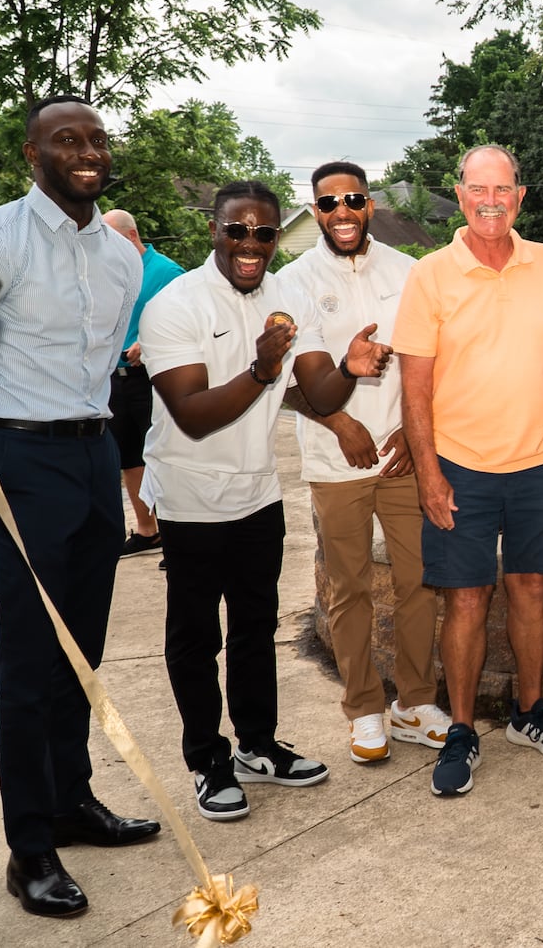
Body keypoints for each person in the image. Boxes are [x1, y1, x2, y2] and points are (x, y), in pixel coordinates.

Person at [0, 95, 156, 919]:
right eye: (68, 139)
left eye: (97, 137)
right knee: (29, 660)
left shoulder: (122, 255)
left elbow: (101, 367)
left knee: (80, 649)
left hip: (94, 453)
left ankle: (71, 800)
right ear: (34, 153)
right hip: (18, 455)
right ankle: (29, 847)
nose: (87, 150)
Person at [140, 180, 393, 822]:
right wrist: (258, 370)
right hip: (192, 496)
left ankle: (257, 745)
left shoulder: (286, 294)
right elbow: (194, 415)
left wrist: (351, 369)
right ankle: (208, 760)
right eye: (237, 230)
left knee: (255, 627)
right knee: (196, 638)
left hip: (256, 493)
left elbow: (320, 393)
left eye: (263, 233)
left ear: (277, 237)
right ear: (214, 231)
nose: (250, 244)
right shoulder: (176, 306)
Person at [396, 144, 543, 797]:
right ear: (459, 195)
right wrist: (428, 473)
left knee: (533, 588)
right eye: (478, 188)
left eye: (502, 189)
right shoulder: (430, 275)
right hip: (460, 465)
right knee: (467, 597)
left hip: (540, 461)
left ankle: (529, 711)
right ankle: (460, 729)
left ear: (519, 196)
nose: (490, 200)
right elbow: (414, 389)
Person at [282, 161, 450, 765]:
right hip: (335, 459)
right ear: (315, 210)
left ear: (370, 204)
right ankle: (364, 709)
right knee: (349, 589)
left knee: (419, 582)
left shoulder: (412, 273)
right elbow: (281, 377)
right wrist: (338, 420)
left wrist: (413, 428)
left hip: (404, 455)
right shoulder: (292, 281)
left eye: (352, 199)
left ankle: (415, 701)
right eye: (328, 204)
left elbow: (434, 363)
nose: (341, 212)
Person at [102, 208, 184, 557]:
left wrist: (147, 343)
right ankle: (148, 530)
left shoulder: (167, 272)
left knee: (161, 454)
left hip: (152, 377)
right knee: (129, 456)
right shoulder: (107, 272)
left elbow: (185, 323)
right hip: (115, 377)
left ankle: (177, 537)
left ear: (131, 236)